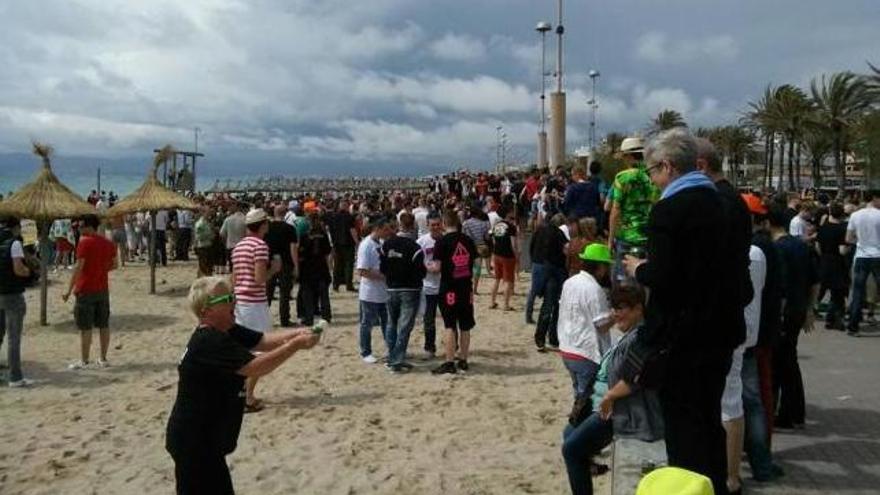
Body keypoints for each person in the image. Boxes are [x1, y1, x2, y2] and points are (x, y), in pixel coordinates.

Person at [621, 129, 733, 494]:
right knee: (710, 421)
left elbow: (665, 277)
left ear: (668, 166)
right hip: (721, 330)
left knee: (683, 429)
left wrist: (638, 267)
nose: (651, 179)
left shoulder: (669, 210)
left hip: (682, 338)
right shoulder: (725, 203)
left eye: (653, 170)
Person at [165, 276, 320, 495]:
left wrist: (298, 333)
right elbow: (255, 367)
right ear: (206, 310)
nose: (234, 301)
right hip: (193, 441)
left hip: (207, 440)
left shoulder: (225, 329)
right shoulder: (208, 341)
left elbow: (263, 340)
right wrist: (295, 346)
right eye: (227, 298)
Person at [561, 285, 663, 495]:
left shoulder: (639, 338)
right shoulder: (628, 335)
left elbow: (637, 378)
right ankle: (588, 464)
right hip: (598, 404)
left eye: (622, 308)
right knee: (569, 433)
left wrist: (609, 396)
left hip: (614, 411)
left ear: (638, 309)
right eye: (614, 308)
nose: (616, 313)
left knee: (571, 450)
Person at [768, 204, 818, 430]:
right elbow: (815, 281)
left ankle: (785, 413)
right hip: (798, 310)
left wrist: (776, 315)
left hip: (784, 312)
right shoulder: (802, 247)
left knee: (780, 364)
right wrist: (810, 309)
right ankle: (794, 411)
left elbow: (782, 287)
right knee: (789, 361)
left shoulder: (776, 249)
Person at [231, 209, 281, 412]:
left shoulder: (239, 246)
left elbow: (234, 277)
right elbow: (260, 278)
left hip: (240, 302)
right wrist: (274, 269)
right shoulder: (260, 246)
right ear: (262, 225)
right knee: (260, 351)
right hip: (255, 302)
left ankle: (241, 394)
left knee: (243, 350)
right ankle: (247, 397)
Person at [557, 243, 615, 414]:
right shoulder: (594, 289)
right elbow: (602, 326)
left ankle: (576, 427)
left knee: (579, 396)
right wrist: (614, 315)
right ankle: (576, 432)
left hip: (567, 348)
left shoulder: (569, 282)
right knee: (587, 404)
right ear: (601, 267)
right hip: (586, 353)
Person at [64, 215, 118, 370]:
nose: (79, 229)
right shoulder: (108, 243)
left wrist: (68, 290)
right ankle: (103, 358)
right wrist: (101, 270)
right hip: (102, 289)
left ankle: (84, 360)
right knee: (103, 324)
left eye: (81, 226)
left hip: (85, 289)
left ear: (89, 226)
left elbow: (78, 267)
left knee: (85, 327)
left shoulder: (84, 243)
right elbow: (115, 264)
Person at [432, 210, 478, 375]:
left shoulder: (442, 242)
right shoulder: (467, 240)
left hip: (449, 288)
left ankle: (450, 361)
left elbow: (437, 268)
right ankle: (464, 359)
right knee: (465, 325)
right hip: (466, 286)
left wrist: (427, 267)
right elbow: (475, 262)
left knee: (450, 325)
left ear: (444, 224)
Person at [380, 217, 427, 373]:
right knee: (404, 326)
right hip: (410, 289)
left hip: (391, 288)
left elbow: (383, 267)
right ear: (413, 226)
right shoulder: (415, 247)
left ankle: (391, 354)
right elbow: (421, 271)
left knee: (391, 323)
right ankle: (396, 359)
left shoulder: (387, 245)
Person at [608, 136, 657, 284]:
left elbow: (615, 210)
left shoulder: (623, 178)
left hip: (627, 235)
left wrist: (610, 239)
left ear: (628, 156)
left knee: (623, 280)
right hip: (648, 234)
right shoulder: (653, 175)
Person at [0, 216, 34, 387]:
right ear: (16, 228)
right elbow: (18, 269)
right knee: (13, 337)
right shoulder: (14, 243)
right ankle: (15, 377)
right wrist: (29, 272)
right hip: (11, 294)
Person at [356, 215, 393, 364]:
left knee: (387, 322)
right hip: (370, 293)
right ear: (377, 229)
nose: (388, 232)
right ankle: (366, 351)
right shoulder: (366, 245)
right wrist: (383, 276)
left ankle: (391, 348)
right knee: (367, 323)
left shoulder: (382, 243)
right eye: (385, 229)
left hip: (384, 292)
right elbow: (362, 271)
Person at [532, 213, 569, 352]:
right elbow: (566, 250)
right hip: (557, 271)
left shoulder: (540, 230)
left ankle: (540, 337)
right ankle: (553, 337)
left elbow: (532, 246)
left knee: (546, 306)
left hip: (543, 269)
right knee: (557, 307)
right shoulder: (559, 234)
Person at [845, 190, 880, 336]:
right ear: (874, 198)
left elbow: (848, 238)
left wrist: (859, 242)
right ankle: (870, 315)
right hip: (878, 255)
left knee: (858, 292)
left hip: (861, 255)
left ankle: (853, 326)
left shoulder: (855, 215)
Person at [264, 205, 299, 327]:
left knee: (268, 292)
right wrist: (296, 265)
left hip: (270, 262)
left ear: (274, 213)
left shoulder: (267, 228)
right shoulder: (290, 228)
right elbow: (293, 248)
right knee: (285, 293)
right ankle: (284, 319)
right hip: (286, 263)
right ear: (285, 214)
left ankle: (263, 318)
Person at [816, 203, 850, 330]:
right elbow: (842, 250)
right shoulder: (842, 229)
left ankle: (829, 318)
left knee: (826, 288)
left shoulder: (823, 228)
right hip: (837, 263)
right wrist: (850, 246)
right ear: (841, 214)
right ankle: (835, 319)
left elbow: (817, 247)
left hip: (825, 260)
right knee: (838, 293)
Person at [298, 214, 333, 326]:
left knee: (308, 295)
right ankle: (326, 316)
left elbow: (300, 255)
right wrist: (329, 268)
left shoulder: (304, 236)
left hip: (307, 268)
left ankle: (309, 318)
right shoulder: (323, 235)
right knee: (324, 295)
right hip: (321, 267)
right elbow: (327, 254)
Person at [417, 213, 444, 358]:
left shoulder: (446, 240)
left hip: (444, 285)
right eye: (432, 225)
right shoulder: (421, 241)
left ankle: (453, 346)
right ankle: (429, 348)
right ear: (427, 225)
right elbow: (416, 262)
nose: (435, 227)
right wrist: (427, 268)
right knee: (428, 319)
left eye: (438, 224)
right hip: (427, 286)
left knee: (449, 318)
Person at [489, 207, 518, 311]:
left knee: (497, 279)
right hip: (507, 255)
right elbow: (513, 244)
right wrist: (516, 255)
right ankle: (505, 304)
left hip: (497, 253)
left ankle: (492, 302)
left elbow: (491, 237)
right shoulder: (511, 227)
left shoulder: (496, 225)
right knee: (507, 280)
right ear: (508, 214)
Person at [328, 200, 358, 292]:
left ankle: (335, 285)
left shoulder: (334, 217)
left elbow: (330, 230)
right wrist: (357, 242)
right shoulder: (350, 217)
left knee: (337, 265)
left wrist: (332, 242)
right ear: (346, 206)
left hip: (337, 243)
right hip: (348, 243)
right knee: (348, 265)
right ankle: (349, 285)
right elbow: (352, 230)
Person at [462, 207, 490, 295]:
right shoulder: (483, 224)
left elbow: (463, 235)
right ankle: (475, 289)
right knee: (477, 269)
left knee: (467, 268)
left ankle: (467, 287)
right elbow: (486, 237)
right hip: (480, 247)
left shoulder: (465, 223)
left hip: (468, 247)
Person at [220, 204, 247, 273]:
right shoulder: (245, 220)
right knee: (242, 268)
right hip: (242, 247)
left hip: (230, 246)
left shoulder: (228, 219)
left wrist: (226, 241)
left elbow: (222, 233)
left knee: (232, 268)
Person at [193, 208, 216, 277]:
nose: (209, 214)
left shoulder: (207, 222)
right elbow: (199, 236)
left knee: (209, 266)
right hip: (203, 246)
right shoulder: (200, 223)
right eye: (207, 213)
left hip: (209, 245)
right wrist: (209, 235)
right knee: (203, 266)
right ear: (203, 213)